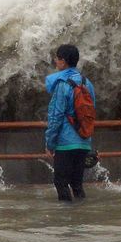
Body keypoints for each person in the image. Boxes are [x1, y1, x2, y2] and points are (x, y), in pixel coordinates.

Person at [44, 44, 96, 202]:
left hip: (65, 143)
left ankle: (66, 221)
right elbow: (90, 114)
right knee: (77, 184)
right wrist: (87, 140)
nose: (55, 61)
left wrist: (50, 143)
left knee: (60, 183)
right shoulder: (87, 83)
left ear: (63, 61)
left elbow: (55, 117)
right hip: (83, 142)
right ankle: (81, 218)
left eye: (57, 58)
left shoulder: (62, 84)